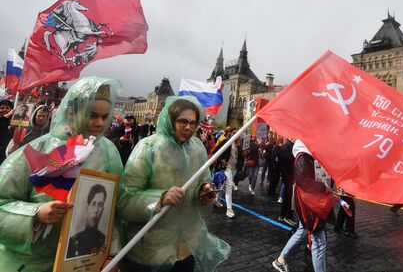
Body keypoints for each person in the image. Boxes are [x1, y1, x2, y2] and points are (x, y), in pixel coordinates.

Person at [0, 77, 124, 271]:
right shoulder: (38, 149)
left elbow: (114, 210)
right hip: (29, 265)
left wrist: (110, 253)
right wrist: (36, 214)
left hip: (81, 263)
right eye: (92, 115)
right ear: (71, 111)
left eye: (104, 116)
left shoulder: (108, 152)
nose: (99, 123)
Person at [117, 96, 230, 272]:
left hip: (185, 249)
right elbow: (125, 200)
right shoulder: (148, 147)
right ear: (170, 120)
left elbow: (202, 181)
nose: (189, 127)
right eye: (182, 121)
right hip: (151, 252)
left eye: (193, 123)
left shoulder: (197, 147)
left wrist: (203, 191)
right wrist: (160, 199)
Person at [272, 140, 333, 272]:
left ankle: (281, 260)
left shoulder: (308, 157)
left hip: (308, 204)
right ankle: (281, 260)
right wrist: (323, 186)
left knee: (303, 231)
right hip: (309, 205)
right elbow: (304, 181)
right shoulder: (303, 158)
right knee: (319, 241)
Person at [67, 184, 108, 258]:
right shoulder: (72, 241)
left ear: (103, 210)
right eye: (93, 204)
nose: (96, 210)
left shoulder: (105, 240)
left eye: (100, 205)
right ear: (87, 207)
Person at [0, 99, 14, 163]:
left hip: (9, 151)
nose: (5, 110)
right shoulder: (2, 119)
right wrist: (7, 115)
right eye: (2, 108)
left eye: (7, 108)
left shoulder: (14, 120)